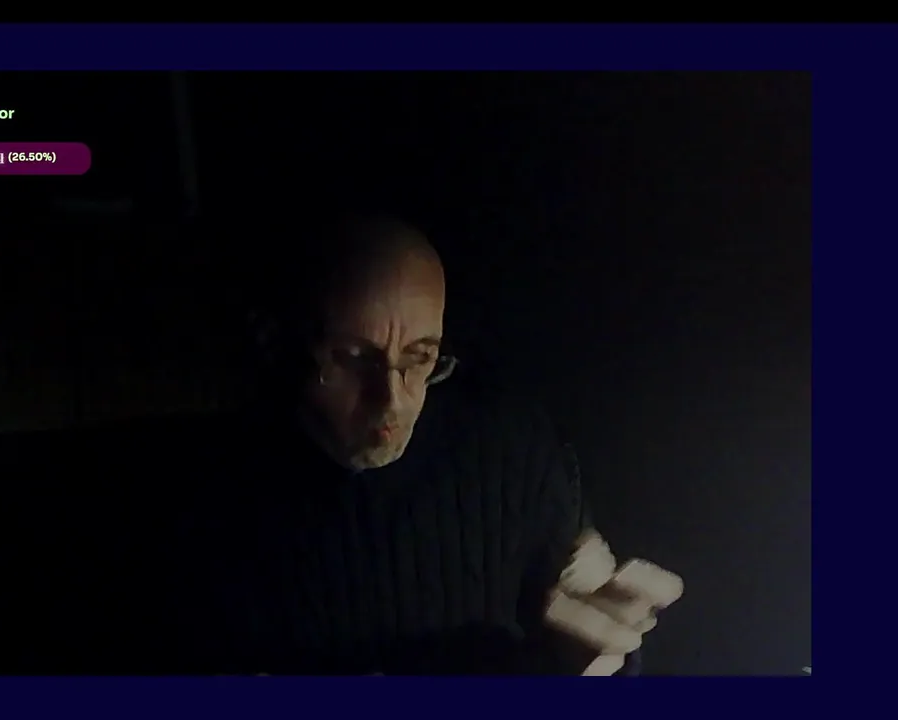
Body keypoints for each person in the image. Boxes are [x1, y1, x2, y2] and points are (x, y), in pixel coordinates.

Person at [118, 212, 677, 675]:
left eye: (420, 358)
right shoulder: (199, 501)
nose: (393, 400)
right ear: (278, 343)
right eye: (353, 359)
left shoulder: (518, 454)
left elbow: (576, 643)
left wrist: (597, 654)